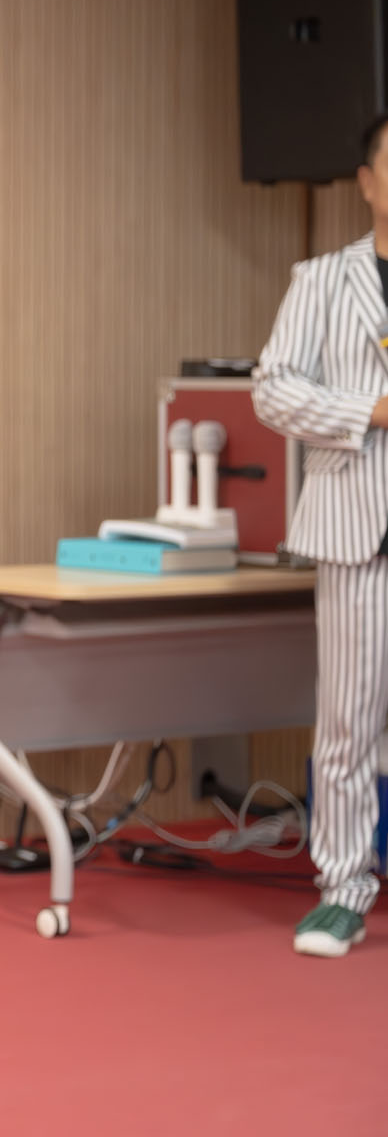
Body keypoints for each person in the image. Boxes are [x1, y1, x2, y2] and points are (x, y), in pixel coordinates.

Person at [254, 109, 388, 958]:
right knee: (348, 724)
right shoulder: (323, 281)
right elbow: (272, 389)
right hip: (359, 534)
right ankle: (342, 890)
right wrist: (368, 411)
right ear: (368, 182)